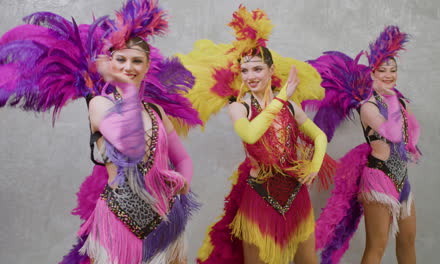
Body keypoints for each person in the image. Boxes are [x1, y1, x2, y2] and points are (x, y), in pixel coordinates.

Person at [0, 1, 201, 263]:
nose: (129, 67)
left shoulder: (156, 112)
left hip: (165, 220)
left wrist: (183, 182)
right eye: (121, 60)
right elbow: (130, 145)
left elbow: (183, 158)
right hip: (121, 220)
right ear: (109, 63)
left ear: (147, 66)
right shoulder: (100, 105)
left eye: (136, 61)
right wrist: (127, 89)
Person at [177, 6, 333, 264]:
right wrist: (283, 95)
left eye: (257, 69)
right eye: (245, 71)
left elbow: (320, 137)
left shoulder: (291, 107)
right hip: (260, 197)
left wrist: (314, 167)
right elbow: (251, 135)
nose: (250, 76)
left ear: (271, 71)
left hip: (297, 197)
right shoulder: (239, 107)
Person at [308, 26, 421, 264]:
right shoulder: (367, 105)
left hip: (402, 178)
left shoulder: (399, 99)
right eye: (382, 70)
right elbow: (392, 132)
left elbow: (411, 132)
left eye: (393, 70)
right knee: (376, 247)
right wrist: (390, 100)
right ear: (372, 73)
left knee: (407, 240)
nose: (389, 75)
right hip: (379, 177)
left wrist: (413, 143)